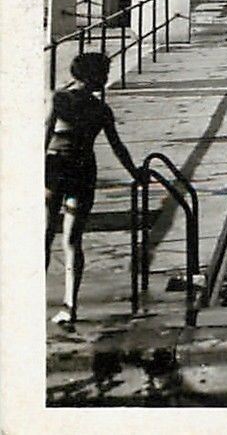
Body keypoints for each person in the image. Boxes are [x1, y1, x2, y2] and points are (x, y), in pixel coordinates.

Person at [46, 52, 141, 329]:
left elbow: (44, 135)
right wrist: (135, 174)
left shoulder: (59, 99)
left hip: (55, 170)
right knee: (73, 240)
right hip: (83, 172)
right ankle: (70, 306)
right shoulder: (100, 109)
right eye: (104, 72)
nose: (107, 77)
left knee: (45, 234)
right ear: (92, 75)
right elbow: (117, 147)